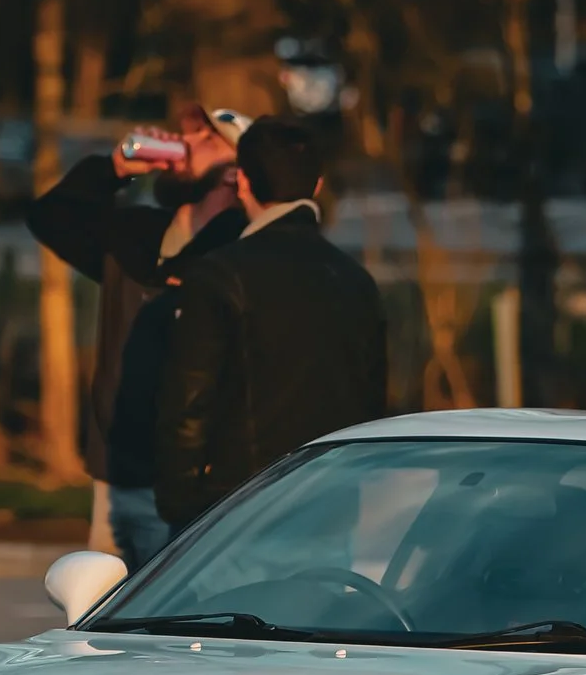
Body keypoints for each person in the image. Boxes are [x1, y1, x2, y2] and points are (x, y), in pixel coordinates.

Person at [25, 106, 249, 568]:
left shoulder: (240, 259)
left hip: (187, 483)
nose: (186, 141)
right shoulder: (136, 234)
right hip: (114, 472)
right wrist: (113, 170)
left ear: (234, 174)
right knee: (103, 622)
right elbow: (50, 218)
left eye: (207, 138)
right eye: (187, 131)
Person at [156, 118, 388, 530]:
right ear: (316, 185)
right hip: (332, 507)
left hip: (238, 512)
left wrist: (180, 508)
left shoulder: (220, 275)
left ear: (242, 181)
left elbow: (188, 406)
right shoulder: (357, 282)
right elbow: (371, 406)